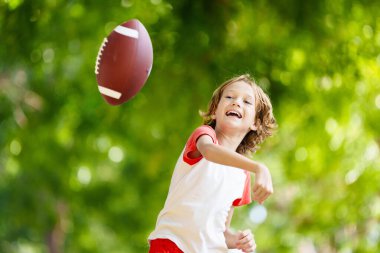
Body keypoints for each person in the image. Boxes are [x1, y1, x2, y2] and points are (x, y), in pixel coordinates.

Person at [148, 74, 277, 253]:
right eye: (229, 97)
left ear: (255, 123)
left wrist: (238, 240)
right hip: (171, 244)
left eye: (247, 102)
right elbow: (209, 152)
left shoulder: (241, 175)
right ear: (215, 110)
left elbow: (221, 231)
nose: (236, 102)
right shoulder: (204, 136)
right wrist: (258, 167)